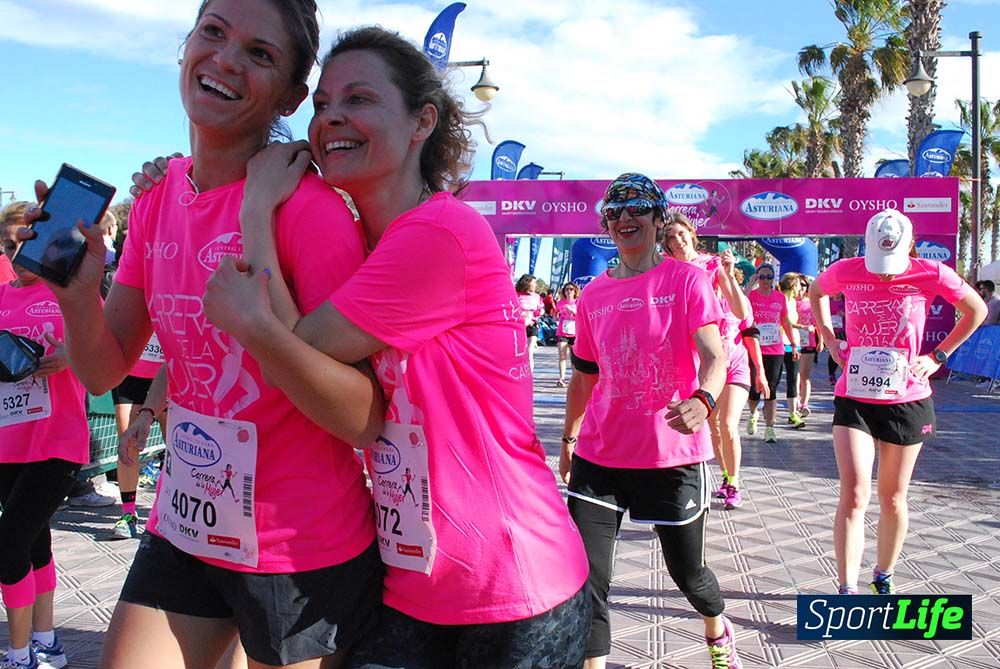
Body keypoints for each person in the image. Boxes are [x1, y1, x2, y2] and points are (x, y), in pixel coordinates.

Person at [167, 26, 591, 668]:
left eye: (359, 99)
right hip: (412, 580)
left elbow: (295, 351)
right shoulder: (371, 247)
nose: (332, 116)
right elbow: (304, 354)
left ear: (423, 121)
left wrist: (256, 213)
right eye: (323, 102)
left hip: (509, 584)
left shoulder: (439, 233)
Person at [21, 1, 384, 667]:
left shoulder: (309, 213)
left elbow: (363, 418)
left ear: (292, 93)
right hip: (186, 521)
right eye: (213, 32)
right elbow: (103, 371)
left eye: (260, 53)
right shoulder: (158, 202)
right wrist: (77, 297)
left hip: (295, 546)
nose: (225, 59)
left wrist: (262, 327)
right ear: (185, 45)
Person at [561, 173, 741, 669]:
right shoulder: (594, 293)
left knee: (690, 575)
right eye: (615, 212)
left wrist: (704, 400)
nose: (625, 219)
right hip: (600, 456)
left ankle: (715, 625)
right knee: (588, 580)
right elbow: (585, 377)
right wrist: (568, 437)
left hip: (671, 457)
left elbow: (714, 356)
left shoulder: (686, 279)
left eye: (637, 208)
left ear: (659, 218)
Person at [810, 209, 986, 595]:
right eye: (877, 262)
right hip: (855, 396)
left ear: (910, 246)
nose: (884, 273)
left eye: (891, 264)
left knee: (892, 498)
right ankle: (846, 589)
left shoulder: (931, 273)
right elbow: (816, 292)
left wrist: (938, 356)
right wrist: (829, 339)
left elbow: (977, 310)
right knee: (854, 494)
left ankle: (883, 576)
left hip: (906, 397)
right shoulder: (847, 269)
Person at [1, 204, 86, 669]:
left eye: (26, 243)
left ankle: (18, 656)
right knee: (34, 542)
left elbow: (105, 345)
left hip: (57, 439)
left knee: (8, 542)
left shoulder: (69, 294)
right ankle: (47, 642)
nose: (18, 253)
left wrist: (72, 355)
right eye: (10, 244)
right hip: (6, 440)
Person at [663, 214, 751, 510]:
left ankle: (733, 482)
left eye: (681, 233)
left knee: (727, 424)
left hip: (731, 355)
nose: (678, 240)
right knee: (711, 427)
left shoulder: (712, 264)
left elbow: (740, 312)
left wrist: (728, 273)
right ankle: (724, 476)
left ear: (691, 233)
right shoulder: (666, 269)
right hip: (699, 360)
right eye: (671, 237)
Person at [744, 264, 799, 443]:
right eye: (762, 277)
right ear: (757, 278)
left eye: (769, 277)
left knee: (772, 389)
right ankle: (753, 412)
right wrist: (749, 284)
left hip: (775, 349)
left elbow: (785, 320)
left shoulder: (780, 297)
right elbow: (741, 307)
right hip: (754, 347)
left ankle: (770, 428)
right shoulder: (751, 296)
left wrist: (793, 343)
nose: (766, 281)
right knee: (754, 389)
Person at [794, 275, 823, 417]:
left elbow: (818, 322)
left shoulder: (810, 302)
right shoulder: (790, 302)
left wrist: (821, 340)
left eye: (803, 285)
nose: (800, 288)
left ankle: (804, 403)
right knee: (795, 375)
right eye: (797, 285)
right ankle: (796, 402)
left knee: (805, 374)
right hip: (792, 342)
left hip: (808, 342)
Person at [516, 274, 543, 372]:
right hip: (519, 325)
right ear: (527, 283)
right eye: (534, 282)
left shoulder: (537, 296)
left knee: (530, 350)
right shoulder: (517, 295)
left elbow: (540, 309)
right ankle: (520, 370)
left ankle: (529, 373)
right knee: (519, 351)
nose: (536, 285)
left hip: (532, 325)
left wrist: (538, 313)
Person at [555, 282, 580, 387]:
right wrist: (557, 315)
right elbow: (555, 315)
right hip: (563, 332)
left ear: (575, 291)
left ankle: (575, 379)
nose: (569, 291)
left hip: (575, 333)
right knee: (562, 355)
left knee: (574, 357)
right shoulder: (561, 303)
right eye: (566, 289)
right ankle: (561, 378)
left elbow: (581, 315)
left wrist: (573, 311)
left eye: (571, 289)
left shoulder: (578, 302)